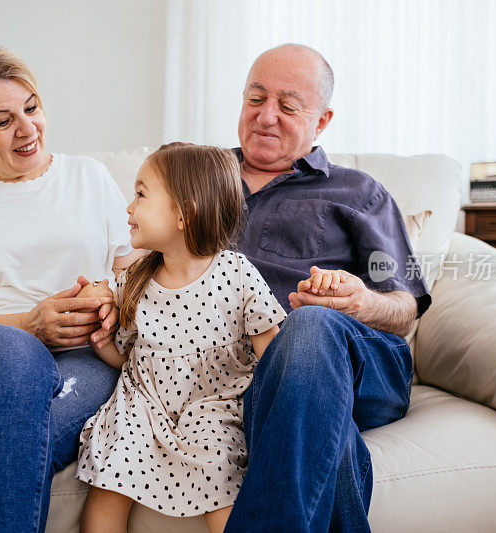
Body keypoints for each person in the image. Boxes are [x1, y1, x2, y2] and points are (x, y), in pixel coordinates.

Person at [0, 41, 140, 532]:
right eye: (1, 121)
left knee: (14, 436)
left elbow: (136, 279)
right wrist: (29, 325)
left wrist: (110, 301)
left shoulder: (89, 178)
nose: (26, 129)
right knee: (7, 349)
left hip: (81, 360)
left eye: (31, 108)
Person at [224, 44, 432, 532]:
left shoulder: (359, 192)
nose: (266, 116)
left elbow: (405, 308)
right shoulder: (198, 180)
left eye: (288, 106)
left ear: (321, 121)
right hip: (242, 371)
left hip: (358, 360)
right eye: (255, 98)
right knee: (300, 401)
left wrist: (360, 301)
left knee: (310, 324)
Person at [75, 143, 287, 533]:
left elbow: (276, 359)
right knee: (110, 476)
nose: (128, 207)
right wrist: (97, 333)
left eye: (140, 194)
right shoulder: (135, 279)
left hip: (213, 406)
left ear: (184, 213)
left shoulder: (237, 274)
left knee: (220, 468)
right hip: (144, 404)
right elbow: (126, 358)